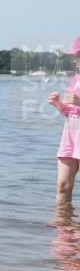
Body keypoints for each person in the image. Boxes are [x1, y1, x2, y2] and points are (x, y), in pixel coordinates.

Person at [48, 36, 80, 206]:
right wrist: (58, 104)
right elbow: (69, 111)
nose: (76, 60)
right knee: (62, 186)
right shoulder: (76, 80)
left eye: (78, 55)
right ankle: (63, 228)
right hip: (70, 132)